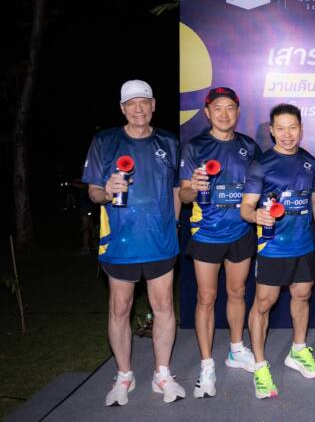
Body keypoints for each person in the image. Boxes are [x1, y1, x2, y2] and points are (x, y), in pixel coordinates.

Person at [83, 79, 185, 406]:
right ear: (122, 108)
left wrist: (174, 224)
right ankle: (124, 374)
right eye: (131, 103)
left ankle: (162, 374)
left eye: (144, 102)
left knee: (164, 306)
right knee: (120, 308)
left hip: (160, 240)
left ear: (153, 105)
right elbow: (93, 192)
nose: (138, 109)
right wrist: (106, 190)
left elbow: (175, 190)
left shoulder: (169, 142)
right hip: (120, 243)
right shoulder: (105, 141)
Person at [240, 104, 315, 399]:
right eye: (281, 128)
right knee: (263, 304)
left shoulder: (310, 163)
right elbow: (246, 207)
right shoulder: (260, 165)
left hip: (304, 246)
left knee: (302, 296)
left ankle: (298, 350)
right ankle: (260, 365)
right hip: (272, 248)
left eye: (293, 128)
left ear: (301, 129)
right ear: (272, 131)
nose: (287, 134)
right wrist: (256, 216)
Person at [178, 86, 261, 398]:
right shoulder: (195, 147)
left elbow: (258, 189)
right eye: (218, 108)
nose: (224, 114)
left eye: (230, 108)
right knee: (206, 298)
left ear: (237, 112)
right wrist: (193, 186)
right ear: (207, 112)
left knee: (238, 292)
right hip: (207, 233)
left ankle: (236, 350)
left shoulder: (249, 147)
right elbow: (185, 195)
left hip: (241, 231)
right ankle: (206, 364)